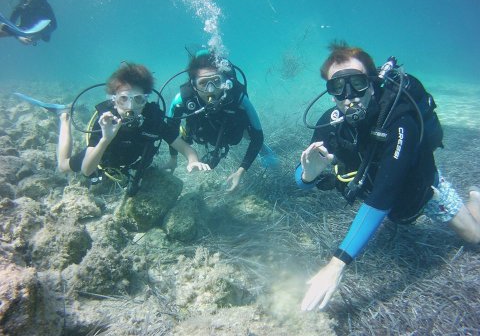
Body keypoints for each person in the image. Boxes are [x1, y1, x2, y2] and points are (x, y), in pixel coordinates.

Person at [295, 41, 480, 311]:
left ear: (372, 82)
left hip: (421, 190)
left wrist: (336, 265)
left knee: (474, 236)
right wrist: (308, 176)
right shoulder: (332, 121)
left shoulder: (399, 119)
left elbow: (386, 192)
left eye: (356, 83)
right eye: (337, 87)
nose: (349, 95)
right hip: (376, 190)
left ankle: (475, 200)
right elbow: (299, 178)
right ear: (330, 92)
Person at [57, 62, 210, 196]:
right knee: (63, 166)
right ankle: (64, 118)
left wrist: (193, 161)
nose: (131, 107)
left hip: (132, 162)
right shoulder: (106, 121)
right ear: (113, 100)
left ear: (146, 99)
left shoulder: (153, 120)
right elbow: (87, 170)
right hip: (104, 160)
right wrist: (105, 139)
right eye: (123, 99)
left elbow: (185, 148)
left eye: (138, 99)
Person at [165, 50, 272, 192]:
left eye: (216, 81)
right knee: (186, 135)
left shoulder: (238, 97)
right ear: (193, 85)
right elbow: (170, 132)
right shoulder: (182, 99)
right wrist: (173, 159)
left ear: (225, 82)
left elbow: (257, 136)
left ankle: (264, 151)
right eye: (203, 83)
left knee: (245, 130)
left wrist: (241, 171)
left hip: (230, 128)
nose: (211, 90)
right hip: (200, 129)